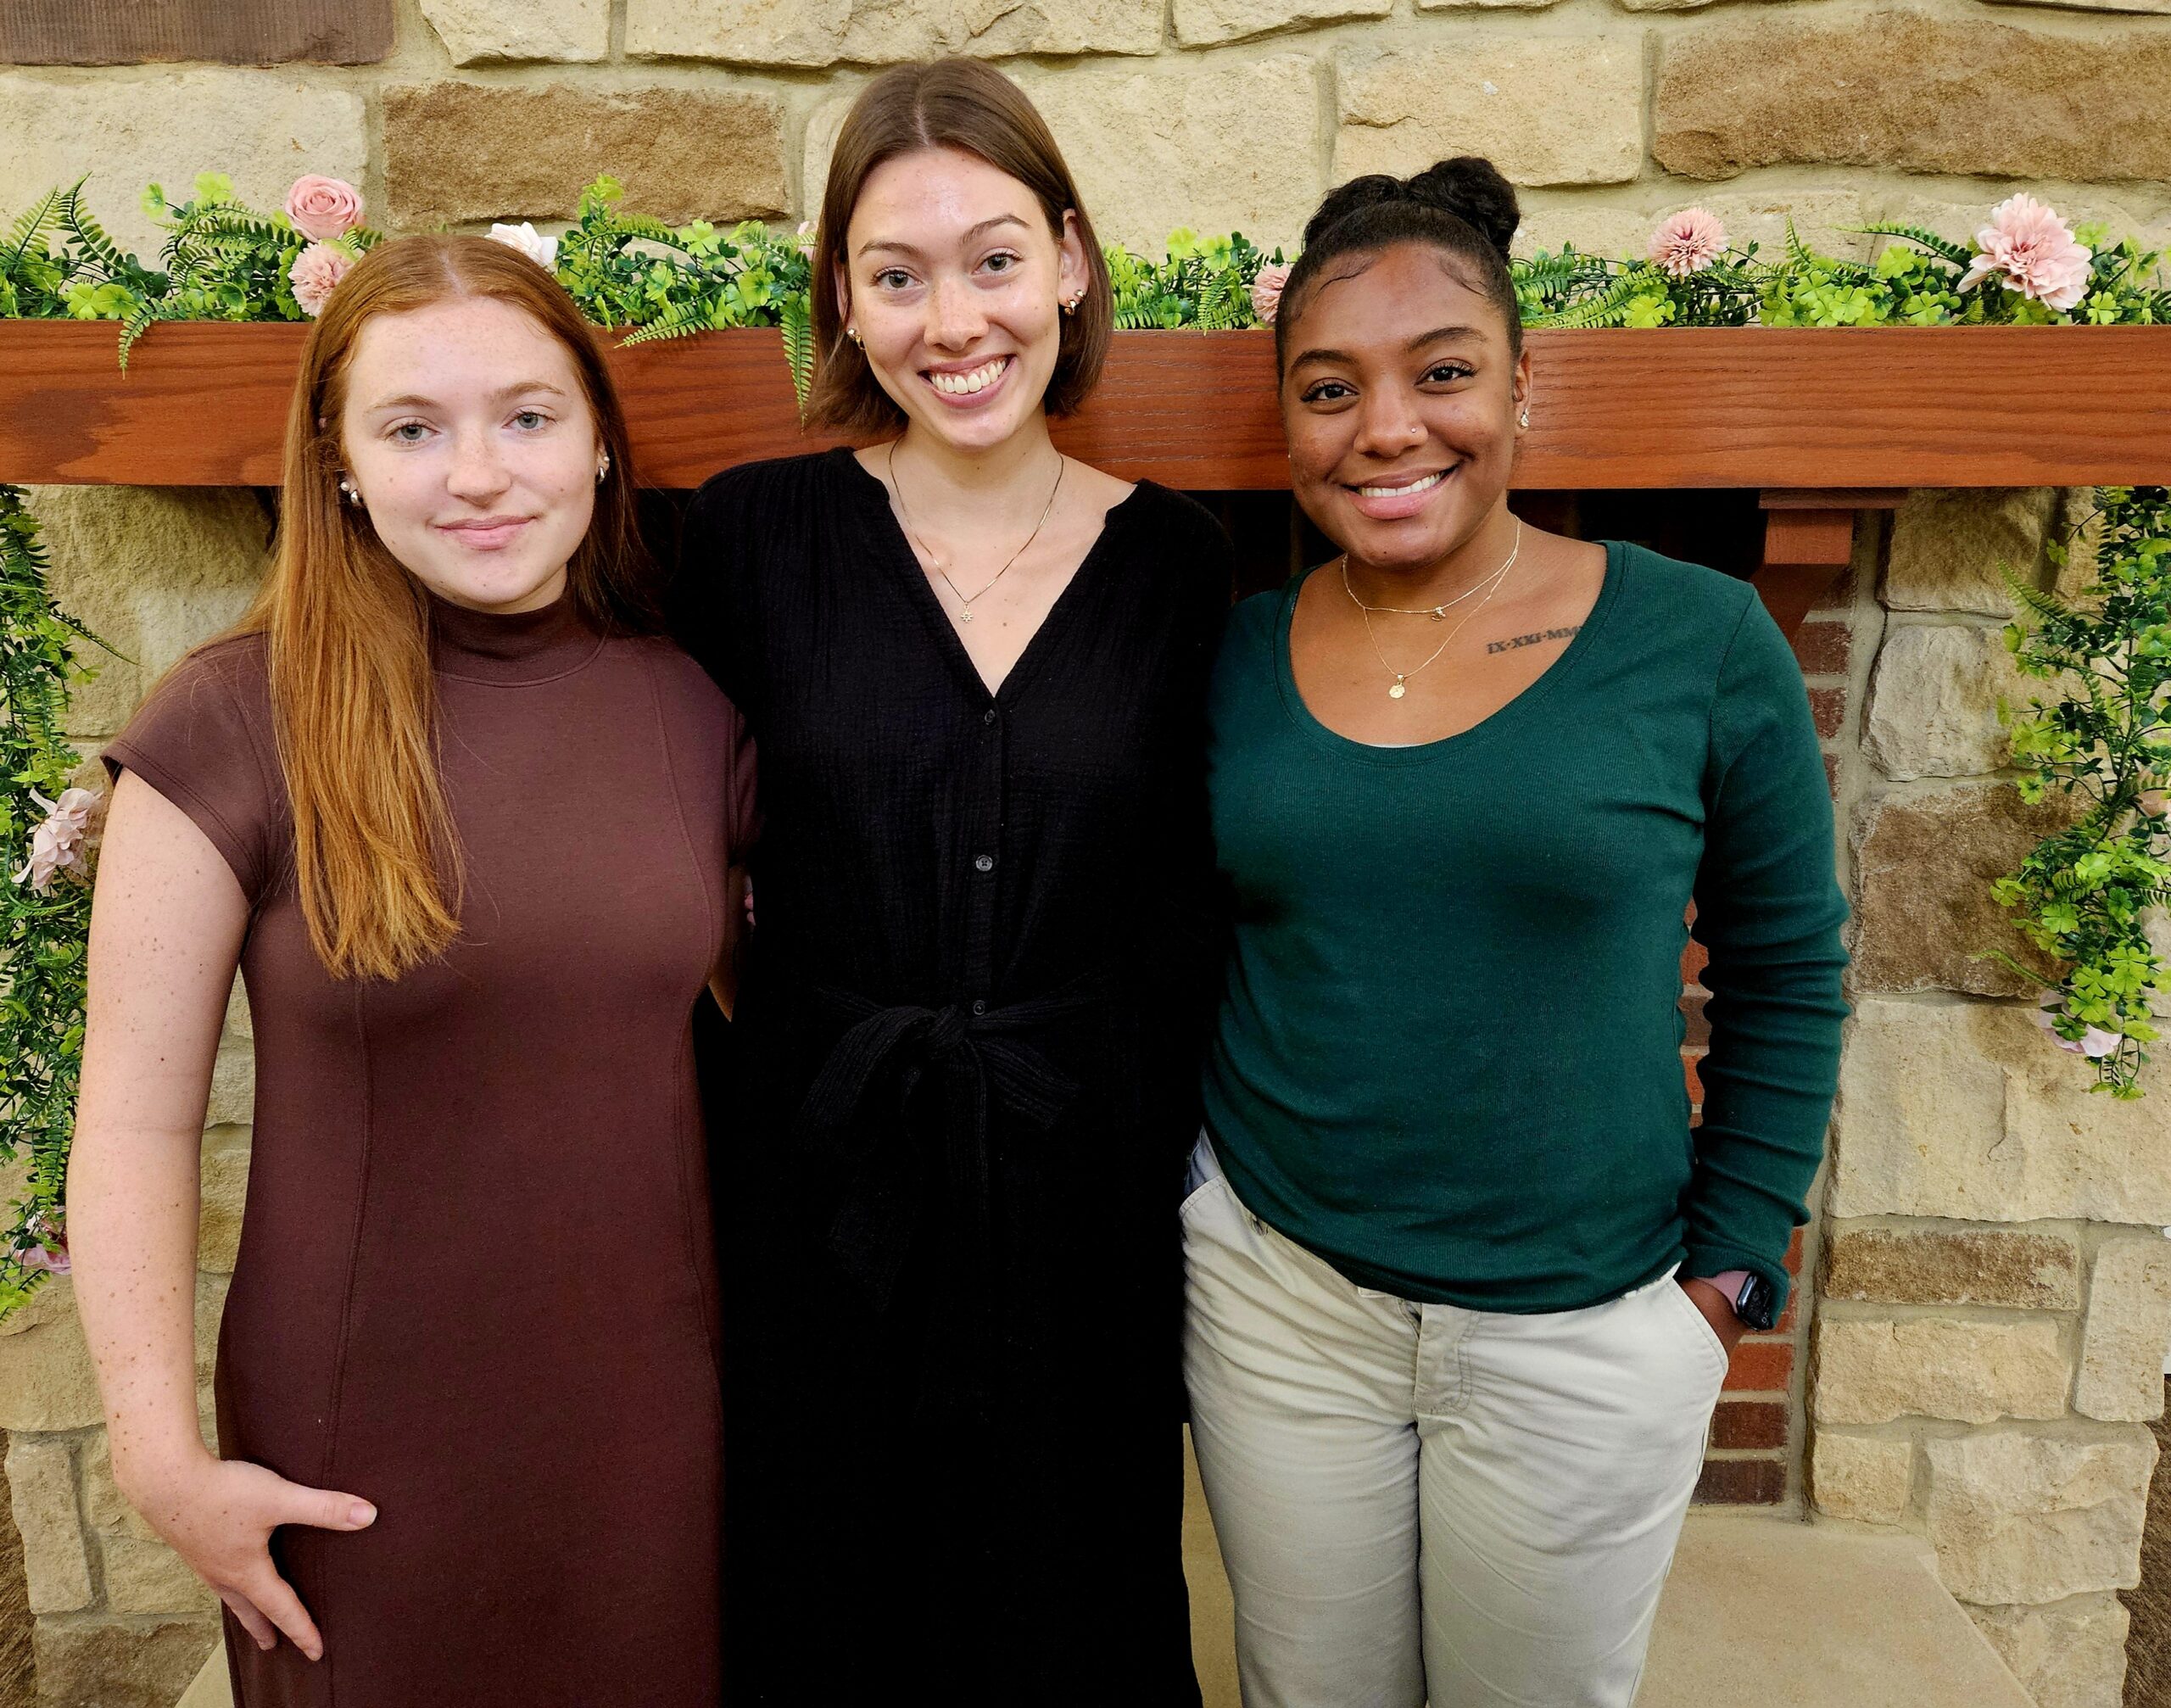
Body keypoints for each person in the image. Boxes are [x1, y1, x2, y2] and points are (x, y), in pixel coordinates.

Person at [1183, 158, 1850, 1708]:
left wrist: (1726, 1278)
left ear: (1522, 387)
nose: (1387, 428)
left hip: (1584, 1327)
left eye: (1444, 373)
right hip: (1283, 1307)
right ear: (1288, 421)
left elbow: (1787, 970)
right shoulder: (1235, 651)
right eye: (1330, 388)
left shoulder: (1696, 637)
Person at [67, 234, 752, 1706]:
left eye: (527, 416)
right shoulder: (229, 720)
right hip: (356, 1452)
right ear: (341, 467)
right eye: (413, 428)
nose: (479, 475)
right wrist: (158, 1457)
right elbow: (132, 1118)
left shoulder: (695, 708)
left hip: (655, 1428)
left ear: (599, 441)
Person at [672, 58, 1231, 1705]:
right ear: (844, 302)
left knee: (1071, 1620)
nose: (954, 321)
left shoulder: (1182, 565)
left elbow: (1196, 894)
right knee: (824, 1612)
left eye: (993, 260)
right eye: (896, 275)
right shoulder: (750, 538)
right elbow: (665, 831)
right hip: (816, 1188)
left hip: (1084, 1208)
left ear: (1069, 261)